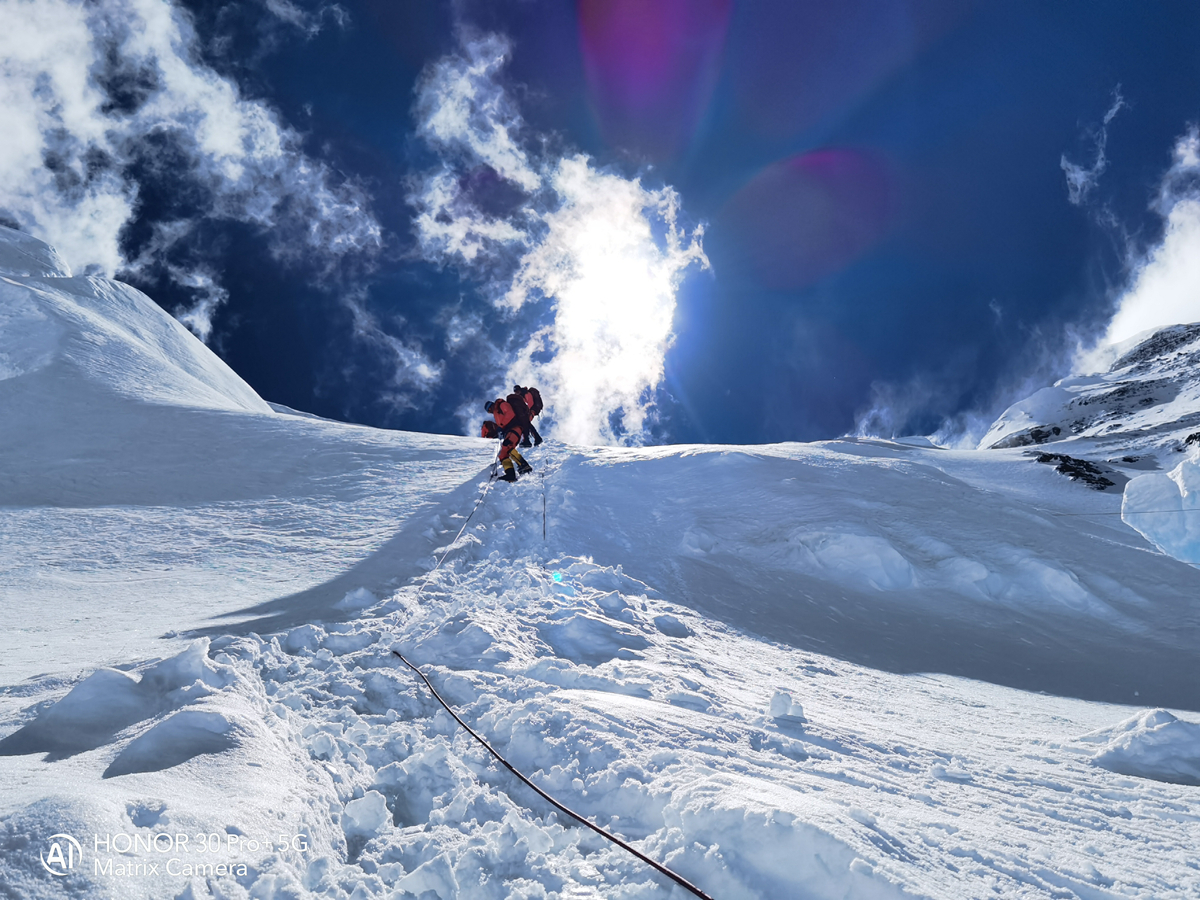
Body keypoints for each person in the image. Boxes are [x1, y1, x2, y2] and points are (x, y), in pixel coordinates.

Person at [483, 400, 532, 482]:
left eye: (489, 411)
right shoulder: (497, 413)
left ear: (490, 408)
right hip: (509, 431)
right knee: (503, 455)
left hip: (514, 428)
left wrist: (501, 426)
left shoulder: (501, 405)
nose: (490, 413)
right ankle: (510, 474)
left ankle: (524, 465)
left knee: (508, 446)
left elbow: (510, 414)